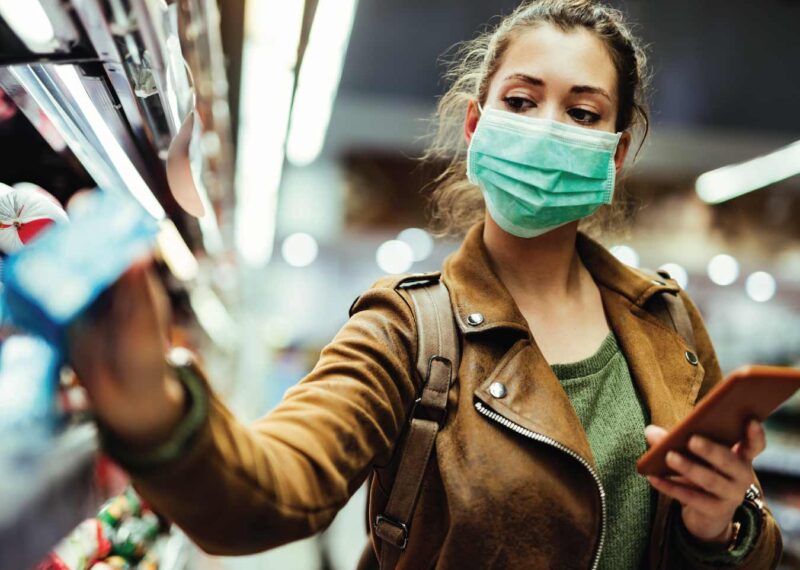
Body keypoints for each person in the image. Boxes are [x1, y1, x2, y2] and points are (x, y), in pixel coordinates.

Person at [68, 0, 783, 568]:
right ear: (476, 125)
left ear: (617, 152)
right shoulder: (408, 330)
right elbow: (279, 485)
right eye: (523, 101)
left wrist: (720, 530)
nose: (547, 128)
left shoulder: (668, 322)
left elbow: (744, 538)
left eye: (584, 112)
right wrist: (159, 416)